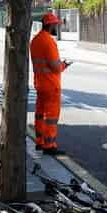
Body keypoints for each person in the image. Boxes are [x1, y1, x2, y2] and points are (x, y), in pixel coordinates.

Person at [30, 12, 71, 156]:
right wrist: (64, 65)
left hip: (40, 84)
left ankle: (40, 142)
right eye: (56, 24)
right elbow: (55, 66)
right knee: (52, 117)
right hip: (51, 85)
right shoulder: (49, 41)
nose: (56, 27)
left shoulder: (35, 40)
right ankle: (50, 145)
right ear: (51, 25)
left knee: (40, 114)